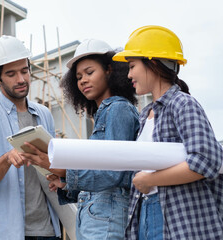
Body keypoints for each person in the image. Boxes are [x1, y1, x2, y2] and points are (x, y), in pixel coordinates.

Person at [21, 39, 140, 240]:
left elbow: (113, 172)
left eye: (89, 72)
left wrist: (58, 167)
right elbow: (103, 176)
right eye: (78, 77)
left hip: (107, 215)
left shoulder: (118, 109)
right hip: (96, 215)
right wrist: (66, 183)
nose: (83, 80)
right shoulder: (104, 113)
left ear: (110, 70)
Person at [113, 25, 223, 240]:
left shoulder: (183, 104)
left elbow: (207, 160)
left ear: (152, 63)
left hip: (176, 215)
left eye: (132, 66)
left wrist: (151, 180)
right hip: (145, 211)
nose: (129, 74)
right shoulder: (146, 114)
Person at [0, 35, 61, 240]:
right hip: (4, 233)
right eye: (11, 74)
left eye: (24, 71)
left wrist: (59, 177)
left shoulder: (44, 114)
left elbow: (54, 164)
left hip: (47, 229)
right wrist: (7, 158)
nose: (20, 79)